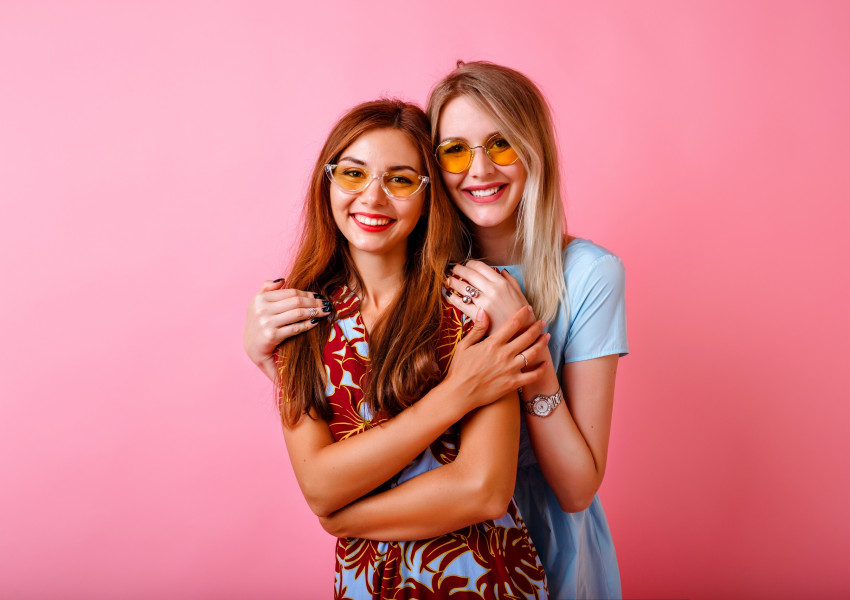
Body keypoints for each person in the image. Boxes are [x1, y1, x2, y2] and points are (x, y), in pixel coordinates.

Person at [247, 62, 629, 600]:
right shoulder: (413, 275)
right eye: (454, 150)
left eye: (500, 144)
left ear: (534, 149)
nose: (478, 169)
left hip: (517, 542)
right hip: (399, 540)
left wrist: (345, 518)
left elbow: (545, 489)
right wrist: (262, 346)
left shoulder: (568, 279)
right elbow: (325, 463)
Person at [271, 98, 550, 599]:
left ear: (427, 196)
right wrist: (455, 395)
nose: (372, 199)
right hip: (365, 585)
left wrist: (345, 518)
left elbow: (484, 490)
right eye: (354, 174)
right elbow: (319, 484)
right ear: (327, 181)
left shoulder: (471, 301)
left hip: (482, 580)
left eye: (399, 180)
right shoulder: (298, 318)